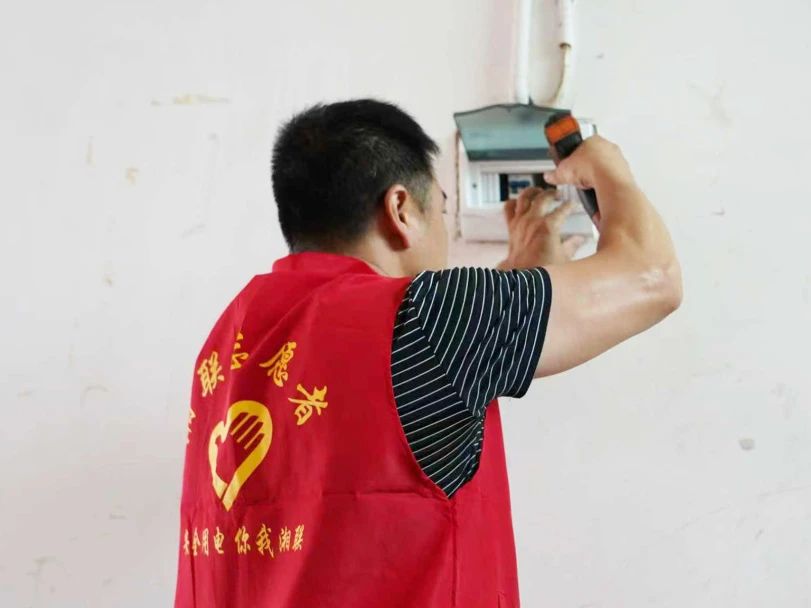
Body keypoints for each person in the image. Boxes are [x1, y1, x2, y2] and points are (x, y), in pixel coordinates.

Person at [174, 99, 682, 607]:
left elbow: (401, 394)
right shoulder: (426, 317)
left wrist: (521, 275)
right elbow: (653, 277)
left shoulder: (228, 341)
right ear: (400, 210)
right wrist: (609, 169)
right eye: (440, 209)